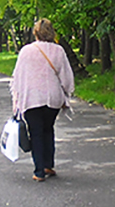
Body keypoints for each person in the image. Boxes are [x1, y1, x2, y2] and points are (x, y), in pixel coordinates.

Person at [9, 18, 75, 182]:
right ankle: (48, 165)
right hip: (52, 99)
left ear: (35, 33)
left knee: (36, 133)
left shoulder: (26, 51)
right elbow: (66, 77)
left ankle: (39, 171)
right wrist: (67, 92)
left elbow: (17, 76)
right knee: (48, 129)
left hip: (31, 98)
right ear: (52, 33)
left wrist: (16, 98)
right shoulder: (58, 51)